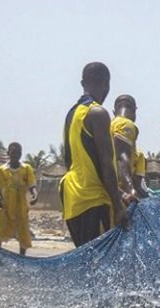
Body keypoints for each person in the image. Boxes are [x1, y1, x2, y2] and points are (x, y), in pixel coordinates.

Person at [61, 62, 128, 247]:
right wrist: (117, 204)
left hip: (72, 200)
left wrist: (120, 193)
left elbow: (73, 161)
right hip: (93, 200)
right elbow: (105, 162)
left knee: (86, 263)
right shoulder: (97, 113)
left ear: (83, 83)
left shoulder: (72, 114)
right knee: (99, 266)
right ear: (106, 85)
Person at [0, 142, 37, 255]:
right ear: (8, 153)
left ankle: (21, 260)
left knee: (23, 236)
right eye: (13, 152)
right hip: (6, 207)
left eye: (18, 153)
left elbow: (32, 185)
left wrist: (34, 195)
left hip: (21, 208)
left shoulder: (26, 168)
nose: (16, 155)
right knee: (0, 236)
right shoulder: (2, 170)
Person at [111, 94, 148, 198]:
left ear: (114, 111)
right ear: (134, 111)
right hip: (120, 193)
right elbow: (122, 157)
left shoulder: (106, 125)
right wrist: (129, 188)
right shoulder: (125, 124)